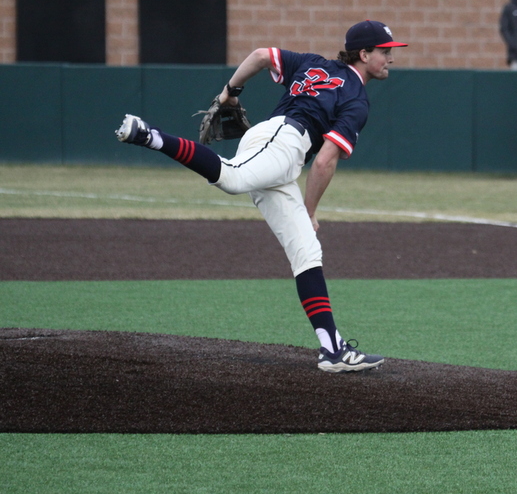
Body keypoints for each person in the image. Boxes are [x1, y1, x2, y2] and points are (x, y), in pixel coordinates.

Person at [114, 20, 408, 372]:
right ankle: (150, 136)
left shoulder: (314, 63)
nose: (391, 58)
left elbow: (260, 55)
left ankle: (332, 350)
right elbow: (324, 162)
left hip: (279, 151)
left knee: (307, 253)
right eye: (385, 51)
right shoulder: (356, 99)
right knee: (232, 178)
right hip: (283, 142)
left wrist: (230, 92)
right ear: (364, 54)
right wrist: (310, 210)